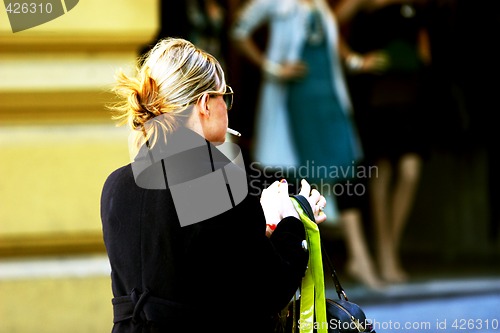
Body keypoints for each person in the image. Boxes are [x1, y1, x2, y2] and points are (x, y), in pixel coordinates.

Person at [100, 37, 328, 333]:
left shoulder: (115, 184)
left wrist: (263, 222)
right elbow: (267, 291)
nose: (228, 107)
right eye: (225, 96)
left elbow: (193, 262)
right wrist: (291, 220)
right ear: (205, 103)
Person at [231, 0, 384, 289]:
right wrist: (272, 67)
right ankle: (321, 268)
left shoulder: (320, 4)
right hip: (297, 101)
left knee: (344, 168)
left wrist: (355, 61)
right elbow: (239, 30)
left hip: (328, 98)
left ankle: (357, 259)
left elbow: (331, 38)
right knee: (304, 183)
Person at [333, 0, 432, 283]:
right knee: (382, 170)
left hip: (410, 94)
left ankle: (391, 248)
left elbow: (424, 49)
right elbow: (328, 20)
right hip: (376, 96)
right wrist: (354, 58)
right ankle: (385, 255)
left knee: (411, 170)